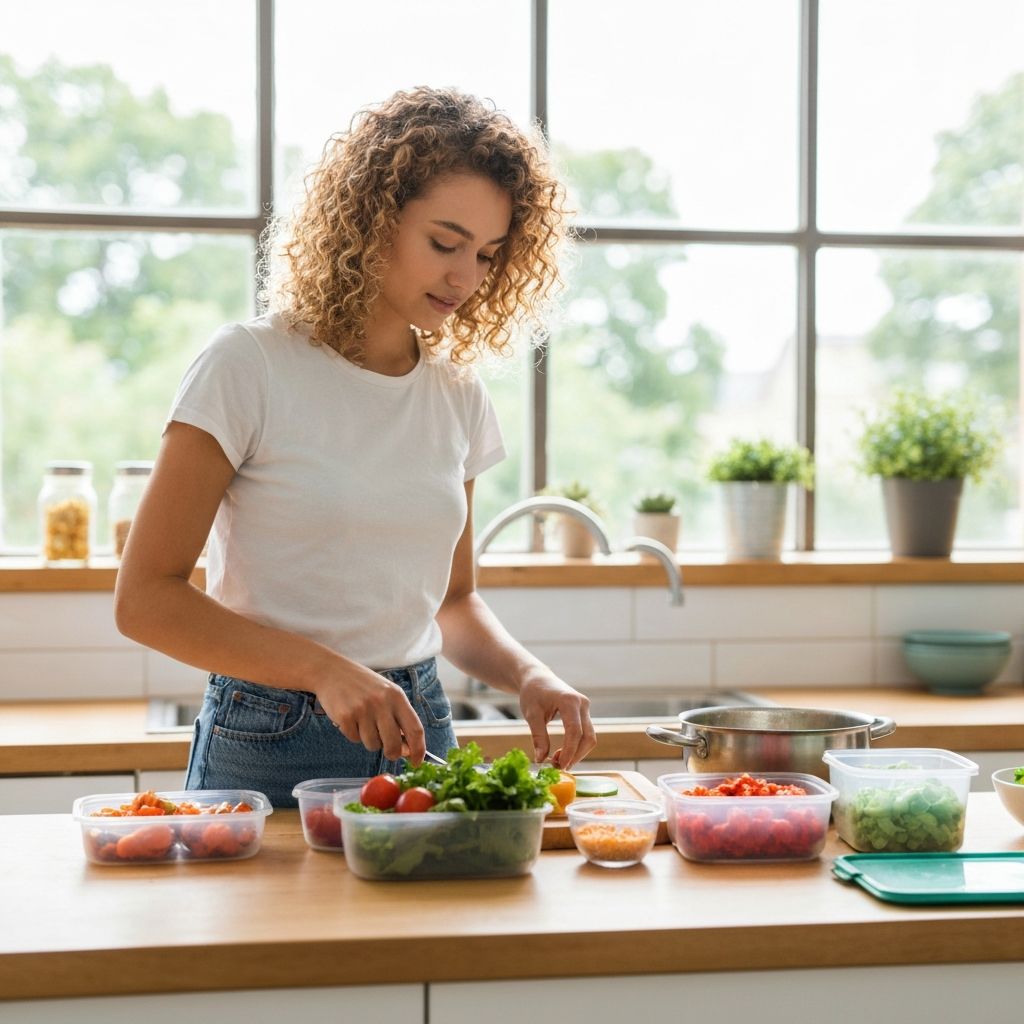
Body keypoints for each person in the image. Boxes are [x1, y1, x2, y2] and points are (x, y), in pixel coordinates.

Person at [114, 86, 597, 806]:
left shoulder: (456, 394)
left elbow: (454, 601)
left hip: (422, 729)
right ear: (373, 222)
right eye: (444, 242)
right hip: (271, 733)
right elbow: (146, 599)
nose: (466, 278)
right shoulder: (250, 364)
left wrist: (530, 674)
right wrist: (323, 670)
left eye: (489, 255)